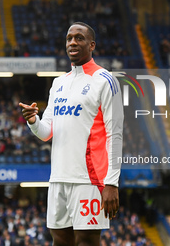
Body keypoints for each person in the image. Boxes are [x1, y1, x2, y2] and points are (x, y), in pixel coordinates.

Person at [19, 22, 123, 246]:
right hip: (58, 178)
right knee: (60, 241)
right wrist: (33, 121)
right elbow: (47, 132)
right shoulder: (58, 83)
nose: (73, 42)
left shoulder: (105, 81)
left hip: (89, 179)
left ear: (92, 45)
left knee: (86, 240)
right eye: (69, 38)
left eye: (79, 38)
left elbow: (115, 135)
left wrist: (111, 183)